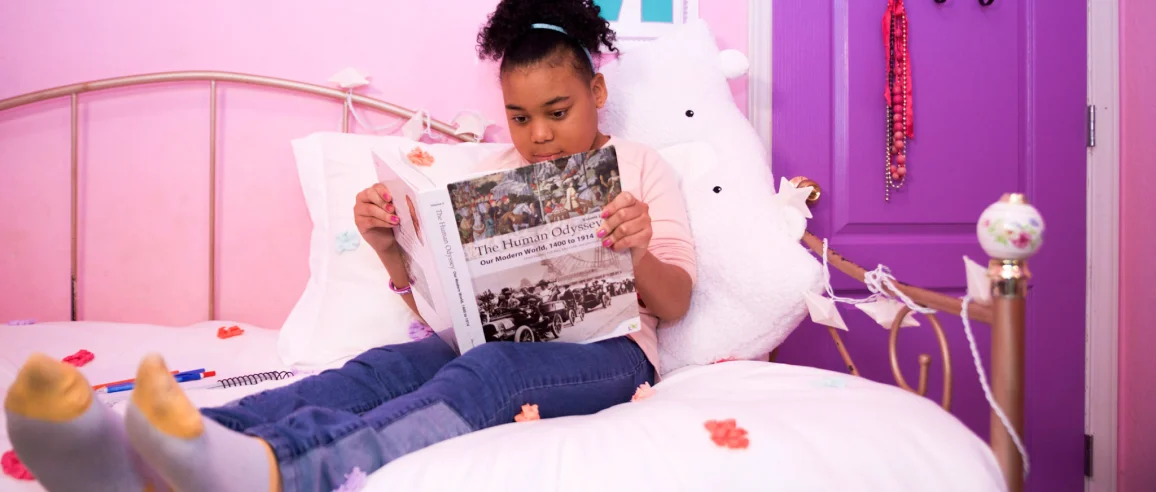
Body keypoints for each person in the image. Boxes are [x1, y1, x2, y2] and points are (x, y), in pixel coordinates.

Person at [1, 1, 696, 491]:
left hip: (608, 353)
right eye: (518, 116)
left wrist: (633, 252)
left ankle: (293, 466)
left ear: (596, 90)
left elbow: (679, 299)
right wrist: (393, 249)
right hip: (488, 336)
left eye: (557, 112)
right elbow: (448, 310)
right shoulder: (493, 176)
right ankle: (151, 447)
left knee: (485, 376)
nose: (538, 135)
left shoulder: (636, 164)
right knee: (373, 372)